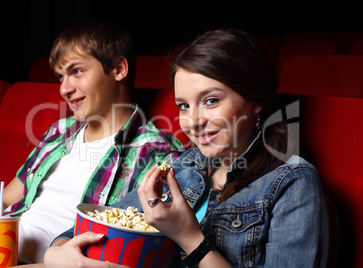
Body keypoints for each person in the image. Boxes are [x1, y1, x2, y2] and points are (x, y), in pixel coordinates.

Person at [44, 28, 332, 267]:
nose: (192, 121)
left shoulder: (293, 184)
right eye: (183, 105)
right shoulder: (183, 166)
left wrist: (189, 237)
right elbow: (92, 227)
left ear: (255, 99)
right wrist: (56, 252)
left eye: (211, 100)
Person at [0, 19, 183, 267]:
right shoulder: (59, 132)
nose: (64, 89)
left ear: (119, 69)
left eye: (77, 71)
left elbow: (124, 256)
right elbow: (0, 201)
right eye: (60, 77)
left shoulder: (157, 154)